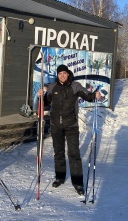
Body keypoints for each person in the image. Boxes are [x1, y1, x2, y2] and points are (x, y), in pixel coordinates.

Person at [37, 64, 101, 195]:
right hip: (56, 125)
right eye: (60, 74)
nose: (62, 76)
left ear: (68, 74)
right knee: (58, 153)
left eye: (64, 73)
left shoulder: (75, 85)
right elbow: (46, 102)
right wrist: (41, 96)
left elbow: (87, 95)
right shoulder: (52, 87)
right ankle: (60, 177)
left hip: (71, 125)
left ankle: (77, 182)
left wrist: (95, 95)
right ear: (57, 75)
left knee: (74, 154)